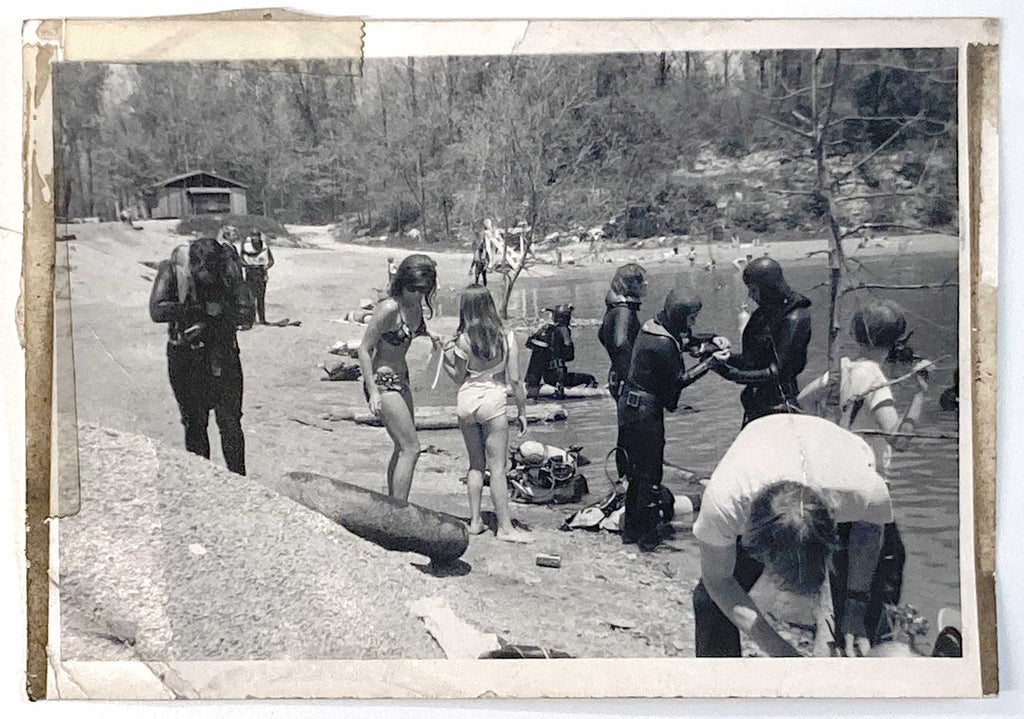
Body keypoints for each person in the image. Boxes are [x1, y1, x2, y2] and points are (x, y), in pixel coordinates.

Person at [692, 414, 898, 657]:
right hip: (762, 441)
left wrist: (855, 606)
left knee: (862, 628)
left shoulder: (862, 492)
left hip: (838, 466)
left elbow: (870, 529)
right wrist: (780, 651)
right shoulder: (724, 503)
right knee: (709, 602)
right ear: (752, 543)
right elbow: (718, 581)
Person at [617, 290, 730, 550]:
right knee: (650, 474)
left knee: (637, 472)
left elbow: (686, 339)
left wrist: (712, 338)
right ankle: (648, 538)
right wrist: (710, 363)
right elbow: (677, 384)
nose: (692, 324)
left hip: (631, 405)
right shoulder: (662, 344)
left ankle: (632, 531)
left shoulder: (653, 327)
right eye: (691, 318)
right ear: (680, 315)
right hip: (645, 411)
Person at [149, 234, 255, 475]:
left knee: (229, 423)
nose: (207, 280)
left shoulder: (229, 269)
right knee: (195, 424)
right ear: (193, 267)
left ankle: (239, 482)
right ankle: (201, 481)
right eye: (201, 276)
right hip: (185, 357)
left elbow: (247, 313)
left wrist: (212, 321)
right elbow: (156, 310)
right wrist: (197, 310)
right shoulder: (173, 270)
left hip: (223, 353)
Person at [443, 285, 533, 543]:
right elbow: (515, 380)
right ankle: (504, 526)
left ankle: (474, 522)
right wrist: (522, 411)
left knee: (475, 465)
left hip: (467, 399)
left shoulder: (462, 339)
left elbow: (459, 378)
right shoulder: (505, 337)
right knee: (497, 468)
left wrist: (447, 356)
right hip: (492, 400)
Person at [356, 254, 441, 501]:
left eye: (423, 290)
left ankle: (394, 503)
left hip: (402, 381)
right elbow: (364, 349)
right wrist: (372, 391)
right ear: (402, 282)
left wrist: (430, 334)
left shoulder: (415, 306)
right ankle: (400, 512)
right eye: (412, 288)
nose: (417, 294)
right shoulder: (389, 308)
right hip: (382, 383)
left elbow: (414, 329)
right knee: (411, 448)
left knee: (402, 447)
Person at [712, 257, 812, 426]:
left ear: (768, 287)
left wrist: (731, 374)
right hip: (756, 405)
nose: (751, 295)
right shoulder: (764, 315)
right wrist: (724, 358)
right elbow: (751, 360)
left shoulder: (795, 317)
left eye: (754, 290)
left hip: (780, 409)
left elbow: (777, 373)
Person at [599, 264, 648, 480]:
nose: (646, 284)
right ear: (632, 284)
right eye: (641, 281)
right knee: (632, 435)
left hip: (616, 378)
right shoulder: (624, 310)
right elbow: (620, 343)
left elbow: (602, 335)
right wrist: (633, 374)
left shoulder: (614, 308)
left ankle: (625, 481)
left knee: (625, 433)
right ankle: (630, 482)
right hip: (626, 381)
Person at [524, 304, 597, 400]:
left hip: (547, 377)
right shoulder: (563, 329)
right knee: (590, 379)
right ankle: (589, 398)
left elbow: (528, 343)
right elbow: (570, 355)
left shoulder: (545, 330)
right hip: (559, 377)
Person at [239, 230, 275, 325]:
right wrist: (248, 264)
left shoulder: (264, 247)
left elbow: (271, 260)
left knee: (261, 297)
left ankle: (262, 319)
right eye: (253, 236)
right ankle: (252, 319)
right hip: (250, 273)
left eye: (256, 236)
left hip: (261, 273)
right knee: (250, 297)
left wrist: (267, 266)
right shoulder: (246, 246)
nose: (255, 238)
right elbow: (241, 259)